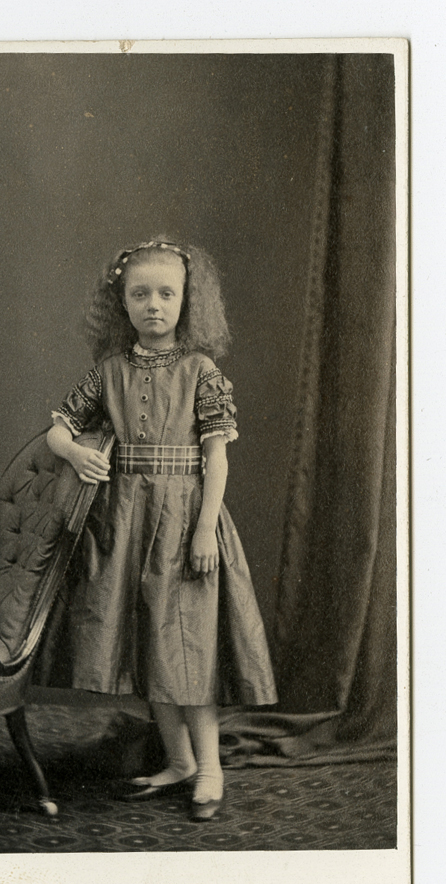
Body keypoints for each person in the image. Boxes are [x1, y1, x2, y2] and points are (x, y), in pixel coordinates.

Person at [47, 239, 277, 820]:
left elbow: (217, 459)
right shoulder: (108, 372)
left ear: (187, 303)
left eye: (166, 294)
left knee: (188, 650)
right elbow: (56, 430)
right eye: (140, 294)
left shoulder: (203, 372)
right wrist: (75, 454)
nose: (154, 305)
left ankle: (212, 770)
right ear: (120, 304)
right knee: (151, 647)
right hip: (124, 523)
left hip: (183, 524)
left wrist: (205, 530)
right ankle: (177, 762)